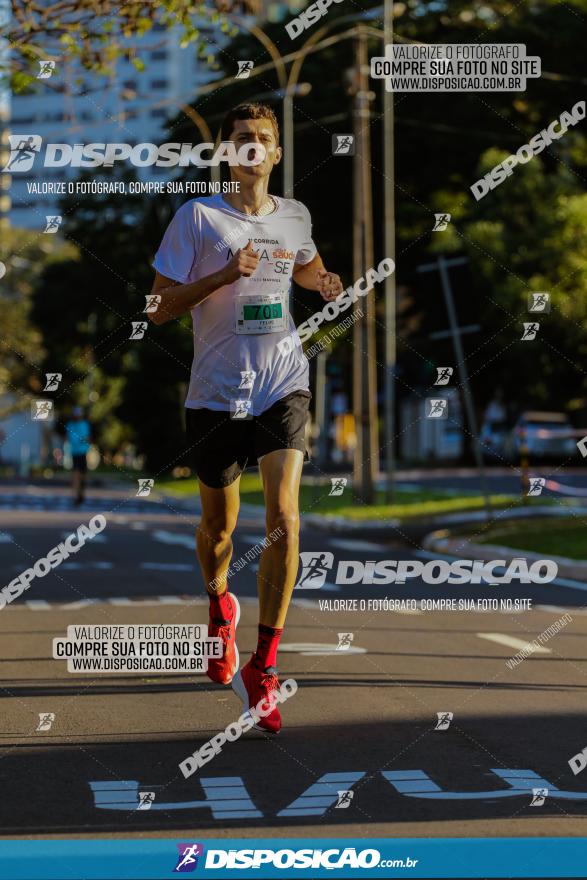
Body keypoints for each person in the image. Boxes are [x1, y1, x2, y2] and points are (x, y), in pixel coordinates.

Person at [149, 102, 343, 734]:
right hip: (214, 392)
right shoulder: (198, 218)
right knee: (218, 527)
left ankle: (264, 661)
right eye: (241, 139)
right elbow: (154, 307)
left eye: (263, 138)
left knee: (285, 516)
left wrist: (323, 281)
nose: (252, 147)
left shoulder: (294, 216)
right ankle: (218, 604)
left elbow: (305, 263)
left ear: (277, 153)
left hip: (283, 381)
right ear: (227, 153)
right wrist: (222, 274)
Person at [65, 406, 92, 505]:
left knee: (83, 475)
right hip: (74, 452)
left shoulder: (85, 424)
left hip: (83, 452)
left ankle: (81, 492)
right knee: (75, 474)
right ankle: (76, 495)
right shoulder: (70, 425)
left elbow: (88, 437)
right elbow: (68, 438)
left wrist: (87, 444)